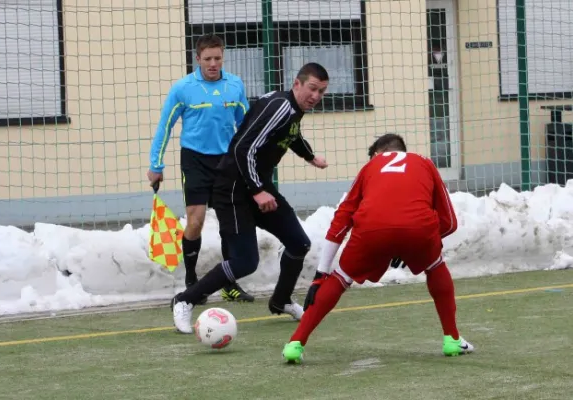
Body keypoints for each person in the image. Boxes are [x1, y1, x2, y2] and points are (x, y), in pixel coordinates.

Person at [282, 133, 475, 363]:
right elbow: (450, 222)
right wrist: (418, 243)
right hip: (419, 229)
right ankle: (452, 339)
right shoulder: (425, 162)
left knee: (340, 277)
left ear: (376, 155)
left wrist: (320, 274)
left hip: (370, 231)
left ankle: (295, 343)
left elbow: (342, 218)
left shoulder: (370, 167)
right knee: (435, 266)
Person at [170, 62, 331, 334]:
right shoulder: (280, 106)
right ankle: (184, 300)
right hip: (233, 189)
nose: (316, 96)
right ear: (297, 84)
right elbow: (244, 148)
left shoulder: (292, 109)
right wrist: (257, 190)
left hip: (257, 187)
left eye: (322, 92)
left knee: (299, 243)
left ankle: (281, 300)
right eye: (312, 89)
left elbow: (290, 135)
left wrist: (309, 156)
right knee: (245, 262)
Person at [147, 33, 255, 305]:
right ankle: (192, 281)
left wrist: (252, 160)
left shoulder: (235, 85)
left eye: (217, 58)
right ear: (197, 59)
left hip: (226, 161)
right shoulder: (183, 89)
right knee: (195, 221)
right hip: (194, 160)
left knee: (229, 225)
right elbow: (165, 126)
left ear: (223, 58)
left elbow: (246, 125)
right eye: (207, 59)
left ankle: (229, 282)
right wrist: (155, 165)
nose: (213, 63)